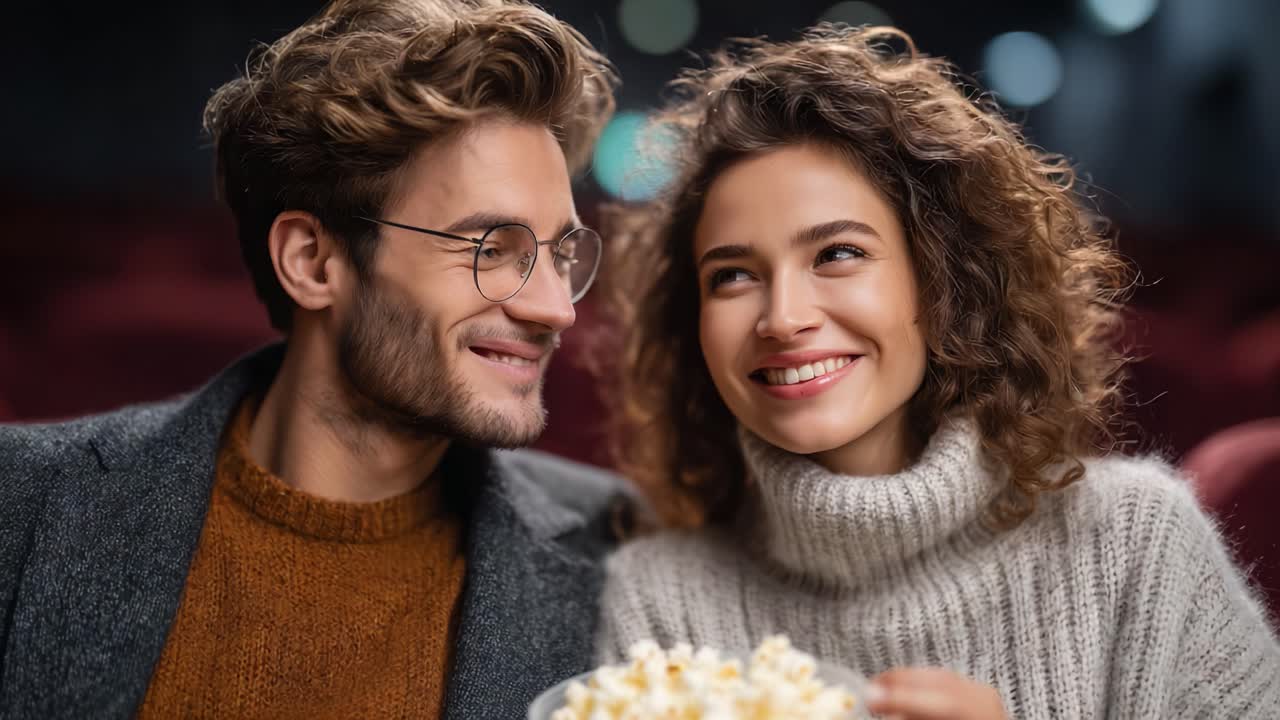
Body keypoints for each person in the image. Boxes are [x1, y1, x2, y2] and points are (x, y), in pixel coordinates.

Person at [598, 25, 1280, 719]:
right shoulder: (658, 600)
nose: (782, 316)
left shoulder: (1138, 544)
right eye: (734, 275)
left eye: (837, 254)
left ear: (940, 280)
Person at [0, 1, 628, 718]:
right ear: (311, 261)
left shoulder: (626, 552)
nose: (557, 309)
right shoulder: (19, 506)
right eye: (491, 250)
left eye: (561, 255)